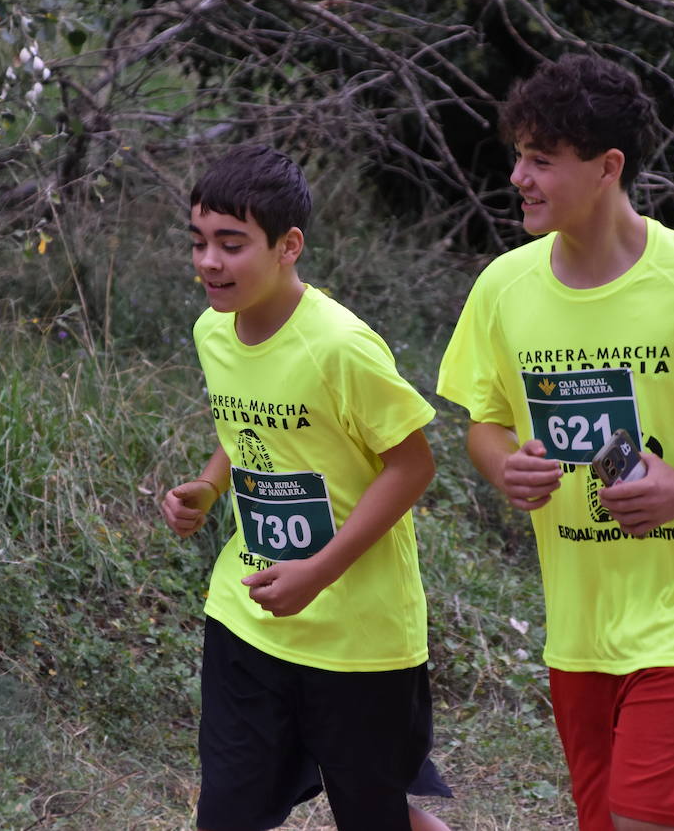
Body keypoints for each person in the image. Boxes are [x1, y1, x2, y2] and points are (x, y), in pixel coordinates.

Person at [436, 54, 674, 831]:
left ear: (608, 167)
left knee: (643, 804)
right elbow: (483, 421)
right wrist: (502, 466)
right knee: (610, 817)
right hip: (581, 618)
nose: (519, 176)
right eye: (519, 155)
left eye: (543, 160)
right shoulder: (503, 288)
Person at [163, 144, 452, 831]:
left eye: (232, 245)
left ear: (289, 245)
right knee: (228, 814)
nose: (209, 262)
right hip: (249, 614)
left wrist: (319, 571)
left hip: (360, 636)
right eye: (199, 242)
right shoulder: (213, 331)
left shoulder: (341, 348)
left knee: (374, 816)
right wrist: (208, 486)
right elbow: (243, 431)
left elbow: (412, 465)